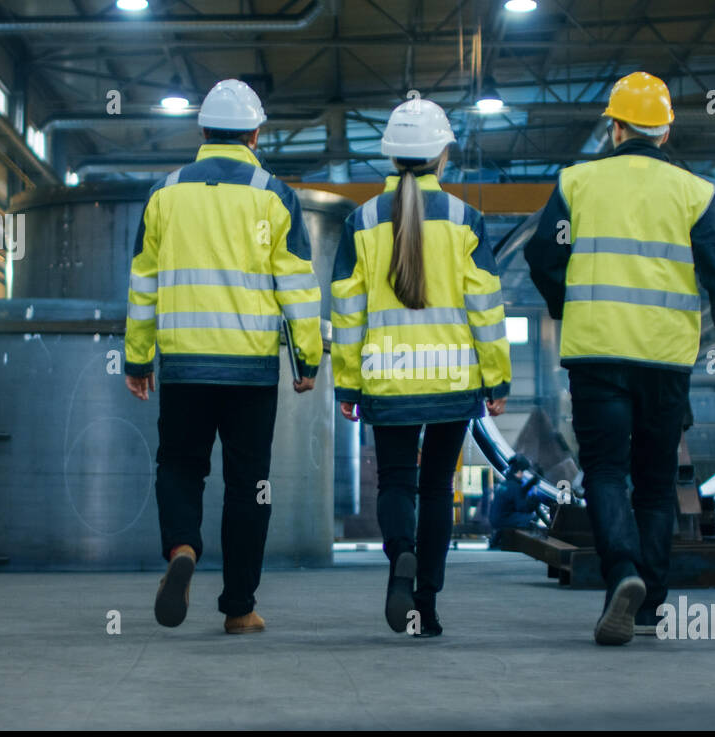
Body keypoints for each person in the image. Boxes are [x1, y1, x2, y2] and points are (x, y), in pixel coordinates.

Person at [524, 71, 715, 646]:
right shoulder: (695, 193)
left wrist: (567, 304)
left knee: (605, 472)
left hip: (597, 354)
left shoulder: (576, 183)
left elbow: (542, 255)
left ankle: (622, 574)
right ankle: (651, 603)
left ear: (616, 128)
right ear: (663, 135)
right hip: (664, 359)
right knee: (656, 484)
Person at [125, 79, 322, 635]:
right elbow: (299, 288)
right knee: (248, 484)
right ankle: (239, 607)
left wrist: (138, 361)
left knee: (180, 467)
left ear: (203, 132)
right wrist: (306, 359)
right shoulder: (274, 193)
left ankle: (182, 548)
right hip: (250, 370)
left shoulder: (165, 193)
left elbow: (143, 284)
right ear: (255, 135)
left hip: (185, 365)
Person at [332, 94, 511, 638]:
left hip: (387, 380)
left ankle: (400, 558)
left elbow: (346, 309)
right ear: (442, 158)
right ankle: (425, 606)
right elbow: (486, 308)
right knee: (436, 489)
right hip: (451, 381)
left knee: (395, 483)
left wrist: (347, 381)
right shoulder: (466, 219)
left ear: (390, 158)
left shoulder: (360, 221)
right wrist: (495, 376)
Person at [488, 454, 544, 547]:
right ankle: (532, 545)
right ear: (519, 472)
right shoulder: (514, 487)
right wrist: (534, 502)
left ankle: (496, 539)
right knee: (530, 519)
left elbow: (519, 493)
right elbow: (522, 507)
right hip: (504, 519)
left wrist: (533, 481)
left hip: (495, 518)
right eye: (523, 472)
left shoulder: (506, 484)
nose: (523, 474)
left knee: (517, 517)